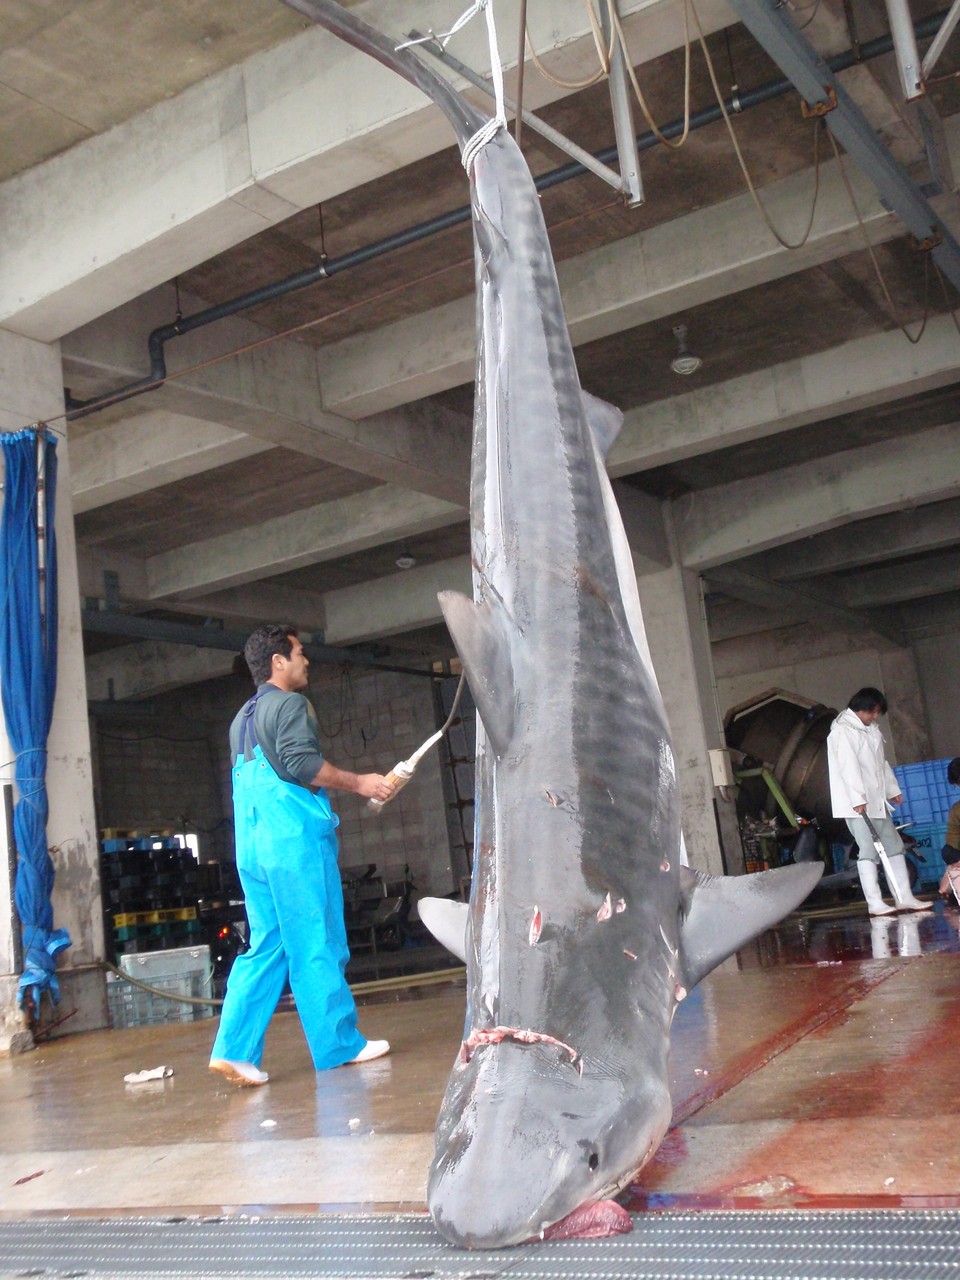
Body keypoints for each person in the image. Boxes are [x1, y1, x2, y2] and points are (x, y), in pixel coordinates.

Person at [209, 624, 396, 1087]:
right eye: (299, 653)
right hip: (291, 842)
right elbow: (301, 765)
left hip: (252, 847)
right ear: (278, 662)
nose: (305, 661)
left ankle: (233, 1050)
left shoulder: (242, 718)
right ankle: (338, 1046)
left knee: (268, 944)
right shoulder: (289, 705)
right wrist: (361, 782)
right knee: (315, 938)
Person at [826, 687, 931, 917]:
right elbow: (848, 768)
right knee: (869, 850)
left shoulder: (870, 730)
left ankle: (904, 898)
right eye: (873, 712)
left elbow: (880, 764)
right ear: (861, 708)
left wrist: (892, 790)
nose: (875, 717)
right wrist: (857, 799)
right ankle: (874, 902)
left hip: (877, 801)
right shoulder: (842, 732)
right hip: (858, 806)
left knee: (894, 846)